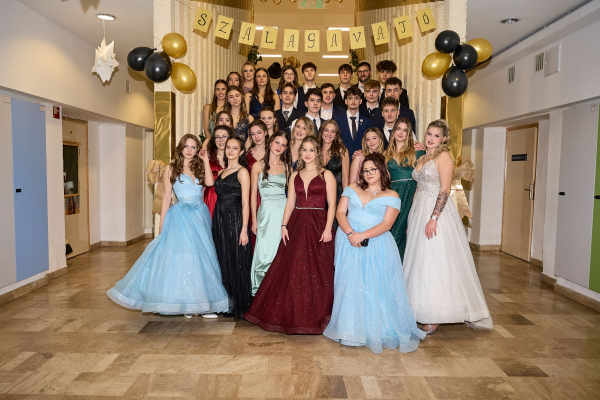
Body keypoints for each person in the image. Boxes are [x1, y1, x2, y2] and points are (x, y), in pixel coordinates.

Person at [107, 134, 230, 319]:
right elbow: (166, 197)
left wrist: (205, 160)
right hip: (181, 216)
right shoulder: (172, 168)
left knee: (201, 258)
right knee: (184, 258)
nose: (189, 150)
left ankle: (200, 304)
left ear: (197, 149)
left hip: (199, 215)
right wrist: (162, 223)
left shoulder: (198, 166)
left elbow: (210, 183)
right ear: (181, 148)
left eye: (193, 147)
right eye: (186, 146)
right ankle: (187, 304)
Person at [324, 153, 426, 353]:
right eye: (365, 170)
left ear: (382, 171)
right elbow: (340, 212)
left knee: (374, 284)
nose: (369, 173)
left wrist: (362, 236)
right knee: (350, 283)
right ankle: (350, 329)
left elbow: (387, 224)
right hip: (348, 241)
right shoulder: (352, 188)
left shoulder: (392, 195)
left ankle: (377, 328)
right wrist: (351, 234)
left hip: (376, 243)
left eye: (373, 169)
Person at [404, 120, 493, 334]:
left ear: (444, 139)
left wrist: (434, 217)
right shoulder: (423, 157)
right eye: (429, 134)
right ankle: (417, 309)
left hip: (436, 212)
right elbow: (418, 188)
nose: (431, 138)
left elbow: (444, 190)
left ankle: (435, 316)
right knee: (419, 262)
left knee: (435, 261)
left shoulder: (444, 157)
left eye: (436, 135)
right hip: (419, 211)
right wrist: (411, 217)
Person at [244, 136, 337, 334]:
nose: (307, 154)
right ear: (300, 152)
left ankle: (319, 314)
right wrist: (284, 225)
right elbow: (290, 203)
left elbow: (332, 204)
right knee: (295, 269)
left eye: (311, 150)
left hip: (319, 224)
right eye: (304, 150)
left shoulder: (326, 174)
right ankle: (293, 313)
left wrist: (328, 228)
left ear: (317, 153)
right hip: (297, 223)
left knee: (319, 269)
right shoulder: (294, 174)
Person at [212, 136, 253, 321]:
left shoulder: (243, 172)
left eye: (235, 148)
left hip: (235, 218)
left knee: (236, 258)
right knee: (222, 257)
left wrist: (244, 229)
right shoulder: (222, 171)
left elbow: (245, 203)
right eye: (228, 147)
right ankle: (226, 302)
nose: (230, 150)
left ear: (241, 151)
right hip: (219, 218)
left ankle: (239, 303)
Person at [250, 131, 290, 295]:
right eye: (277, 142)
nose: (279, 147)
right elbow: (253, 196)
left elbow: (291, 196)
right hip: (265, 214)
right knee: (264, 253)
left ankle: (276, 294)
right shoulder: (257, 166)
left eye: (283, 145)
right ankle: (261, 293)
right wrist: (254, 220)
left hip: (282, 213)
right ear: (271, 142)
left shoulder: (287, 167)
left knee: (279, 252)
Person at [385, 118, 425, 260]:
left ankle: (404, 267)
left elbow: (423, 176)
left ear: (409, 134)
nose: (401, 132)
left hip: (411, 193)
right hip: (394, 196)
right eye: (398, 129)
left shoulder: (417, 151)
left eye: (405, 130)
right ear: (393, 131)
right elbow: (385, 179)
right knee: (392, 232)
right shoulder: (386, 154)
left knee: (406, 232)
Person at [204, 124, 234, 217]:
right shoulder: (207, 157)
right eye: (217, 137)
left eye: (224, 136)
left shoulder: (235, 157)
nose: (221, 140)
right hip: (211, 197)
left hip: (229, 198)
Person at [319, 119, 349, 209]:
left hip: (337, 195)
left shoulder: (342, 151)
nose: (329, 134)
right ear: (321, 131)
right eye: (326, 130)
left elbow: (345, 178)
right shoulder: (315, 150)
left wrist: (345, 199)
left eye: (333, 132)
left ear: (336, 135)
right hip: (318, 195)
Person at [333, 86, 371, 155]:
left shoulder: (367, 122)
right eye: (350, 98)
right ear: (346, 101)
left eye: (356, 98)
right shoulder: (336, 121)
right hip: (342, 158)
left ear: (360, 101)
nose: (353, 101)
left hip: (361, 159)